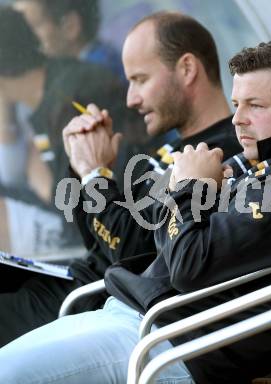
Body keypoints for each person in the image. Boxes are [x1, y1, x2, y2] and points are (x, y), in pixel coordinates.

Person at [0, 37, 271, 383]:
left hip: (162, 347)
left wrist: (188, 188)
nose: (238, 119)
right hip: (139, 322)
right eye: (237, 103)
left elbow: (188, 264)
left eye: (255, 105)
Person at [0, 10, 241, 348]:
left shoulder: (219, 156)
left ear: (187, 69)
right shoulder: (170, 146)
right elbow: (95, 237)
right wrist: (82, 164)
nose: (130, 98)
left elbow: (131, 253)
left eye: (140, 79)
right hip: (74, 283)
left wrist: (94, 175)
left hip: (95, 306)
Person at [0, 6, 141, 345]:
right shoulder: (45, 99)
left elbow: (96, 209)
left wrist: (43, 185)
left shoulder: (72, 94)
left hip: (109, 275)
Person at [13, 0, 125, 79]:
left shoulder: (97, 72)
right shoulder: (103, 56)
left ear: (70, 26)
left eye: (34, 25)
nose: (24, 36)